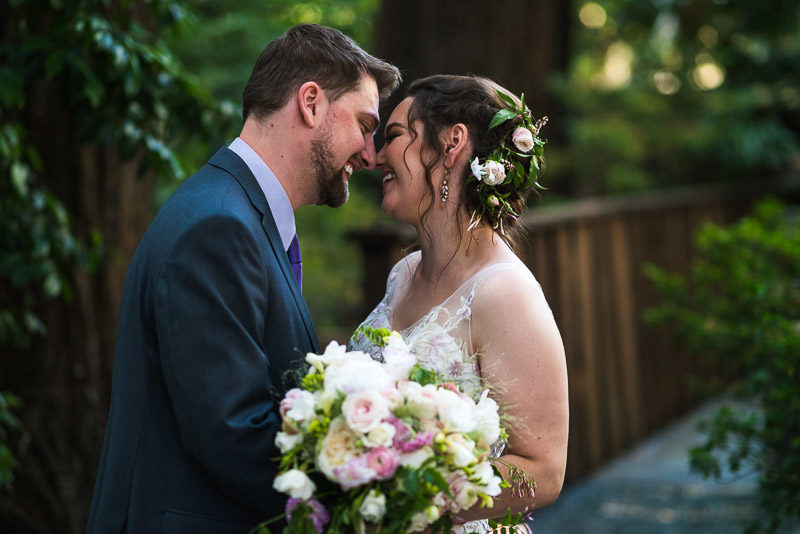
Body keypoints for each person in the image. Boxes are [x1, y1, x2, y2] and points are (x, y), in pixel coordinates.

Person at [86, 24, 400, 533]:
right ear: (312, 103)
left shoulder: (240, 217)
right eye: (364, 125)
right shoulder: (217, 228)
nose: (369, 153)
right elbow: (235, 434)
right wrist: (376, 497)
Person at [349, 75, 569, 533]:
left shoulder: (503, 292)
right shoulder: (403, 273)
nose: (374, 156)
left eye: (393, 136)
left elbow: (543, 472)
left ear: (452, 145)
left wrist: (418, 499)